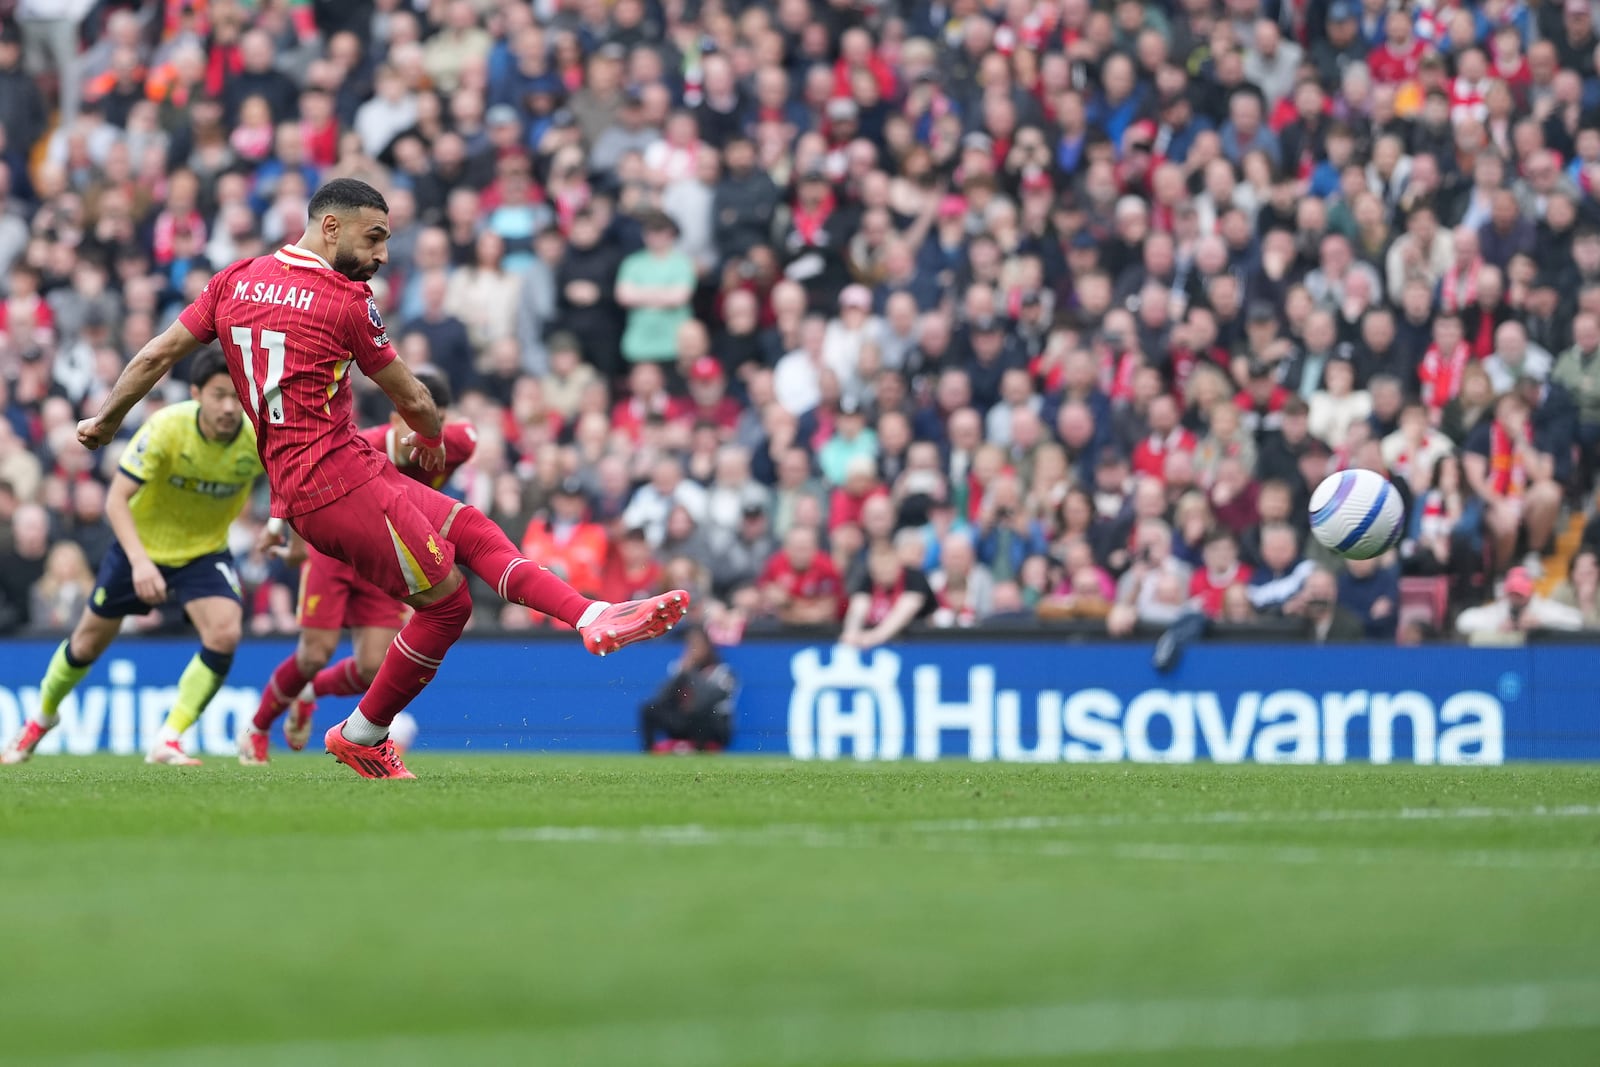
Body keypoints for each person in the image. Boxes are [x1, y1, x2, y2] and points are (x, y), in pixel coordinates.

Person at [71, 180, 688, 779]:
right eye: (374, 238)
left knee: (470, 526)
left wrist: (105, 421)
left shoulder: (232, 280)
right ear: (330, 226)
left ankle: (590, 615)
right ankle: (361, 733)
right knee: (448, 606)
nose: (382, 254)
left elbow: (155, 355)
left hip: (333, 470)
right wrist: (429, 436)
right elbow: (414, 399)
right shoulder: (346, 301)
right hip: (332, 483)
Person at [3, 351, 263, 766]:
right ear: (197, 394)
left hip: (203, 551)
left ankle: (169, 738)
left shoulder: (258, 436)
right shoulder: (166, 428)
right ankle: (41, 718)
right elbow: (115, 500)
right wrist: (141, 563)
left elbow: (289, 480)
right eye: (218, 395)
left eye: (236, 396)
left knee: (225, 633)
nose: (229, 406)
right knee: (86, 643)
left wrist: (275, 527)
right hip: (139, 547)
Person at [240, 368, 477, 764]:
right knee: (315, 654)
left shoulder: (454, 442)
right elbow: (301, 475)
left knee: (372, 667)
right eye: (408, 416)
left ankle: (309, 693)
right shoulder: (366, 445)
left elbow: (466, 435)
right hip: (335, 553)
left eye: (430, 418)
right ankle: (258, 728)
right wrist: (277, 525)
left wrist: (428, 430)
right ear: (394, 416)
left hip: (389, 555)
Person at [637, 626, 736, 753]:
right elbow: (663, 697)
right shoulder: (681, 669)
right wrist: (682, 673)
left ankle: (700, 749)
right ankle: (649, 751)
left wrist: (691, 673)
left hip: (711, 725)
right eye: (691, 645)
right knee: (649, 709)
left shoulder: (722, 671)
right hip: (685, 722)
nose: (694, 650)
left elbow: (705, 701)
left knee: (700, 713)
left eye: (698, 645)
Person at [840, 538, 935, 648]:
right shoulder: (869, 579)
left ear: (897, 562)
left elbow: (905, 611)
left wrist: (874, 637)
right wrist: (851, 632)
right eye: (878, 570)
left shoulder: (914, 577)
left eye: (888, 568)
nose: (883, 573)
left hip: (920, 642)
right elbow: (858, 606)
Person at [1455, 566, 1582, 636]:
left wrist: (1541, 624)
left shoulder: (1540, 608)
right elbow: (1463, 621)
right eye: (1512, 593)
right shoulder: (1501, 609)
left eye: (1520, 594)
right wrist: (1497, 626)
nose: (1516, 598)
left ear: (1530, 593)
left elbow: (1578, 621)